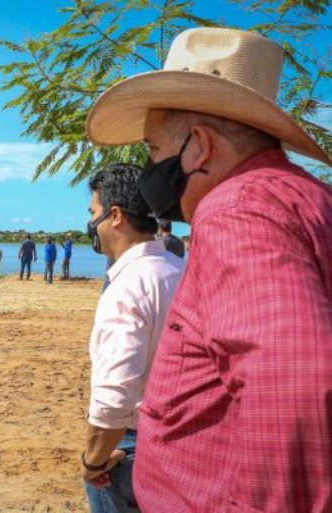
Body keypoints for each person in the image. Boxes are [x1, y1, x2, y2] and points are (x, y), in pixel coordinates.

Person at [86, 27, 332, 512]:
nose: (150, 168)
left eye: (154, 150)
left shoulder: (236, 211)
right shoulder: (307, 197)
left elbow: (294, 390)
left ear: (198, 147)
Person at [80, 164, 184, 513]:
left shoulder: (127, 287)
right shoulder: (178, 269)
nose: (91, 225)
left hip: (128, 450)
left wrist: (93, 461)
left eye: (93, 213)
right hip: (178, 441)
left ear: (115, 216)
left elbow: (114, 397)